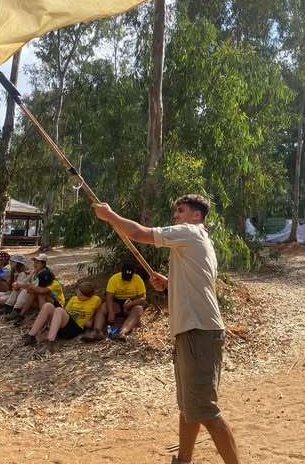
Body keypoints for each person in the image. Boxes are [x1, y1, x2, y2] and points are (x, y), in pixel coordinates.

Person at [92, 194, 241, 464]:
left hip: (199, 331)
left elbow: (139, 233)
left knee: (206, 411)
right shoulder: (199, 241)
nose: (175, 216)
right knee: (189, 407)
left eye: (180, 211)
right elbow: (197, 284)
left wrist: (110, 215)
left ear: (196, 215)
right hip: (192, 331)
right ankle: (183, 460)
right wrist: (170, 283)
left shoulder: (190, 232)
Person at [22, 281, 101, 355]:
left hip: (75, 328)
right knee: (47, 306)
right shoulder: (74, 299)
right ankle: (31, 336)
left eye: (81, 295)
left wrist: (91, 322)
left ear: (88, 296)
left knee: (59, 310)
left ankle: (50, 342)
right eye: (78, 292)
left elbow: (98, 312)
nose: (78, 295)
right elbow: (66, 312)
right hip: (65, 324)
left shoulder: (95, 300)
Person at [82, 258, 146, 342]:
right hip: (117, 302)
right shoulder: (114, 279)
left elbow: (142, 298)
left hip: (131, 303)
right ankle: (97, 331)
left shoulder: (138, 279)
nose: (126, 279)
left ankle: (122, 332)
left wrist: (130, 304)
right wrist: (111, 312)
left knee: (138, 309)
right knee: (103, 307)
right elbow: (109, 296)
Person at [6, 254, 65, 325]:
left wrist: (22, 285)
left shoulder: (53, 283)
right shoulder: (36, 272)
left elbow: (39, 290)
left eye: (37, 262)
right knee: (34, 292)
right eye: (34, 262)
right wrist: (20, 284)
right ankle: (19, 314)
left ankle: (43, 318)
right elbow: (32, 286)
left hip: (57, 305)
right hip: (46, 300)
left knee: (39, 294)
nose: (35, 264)